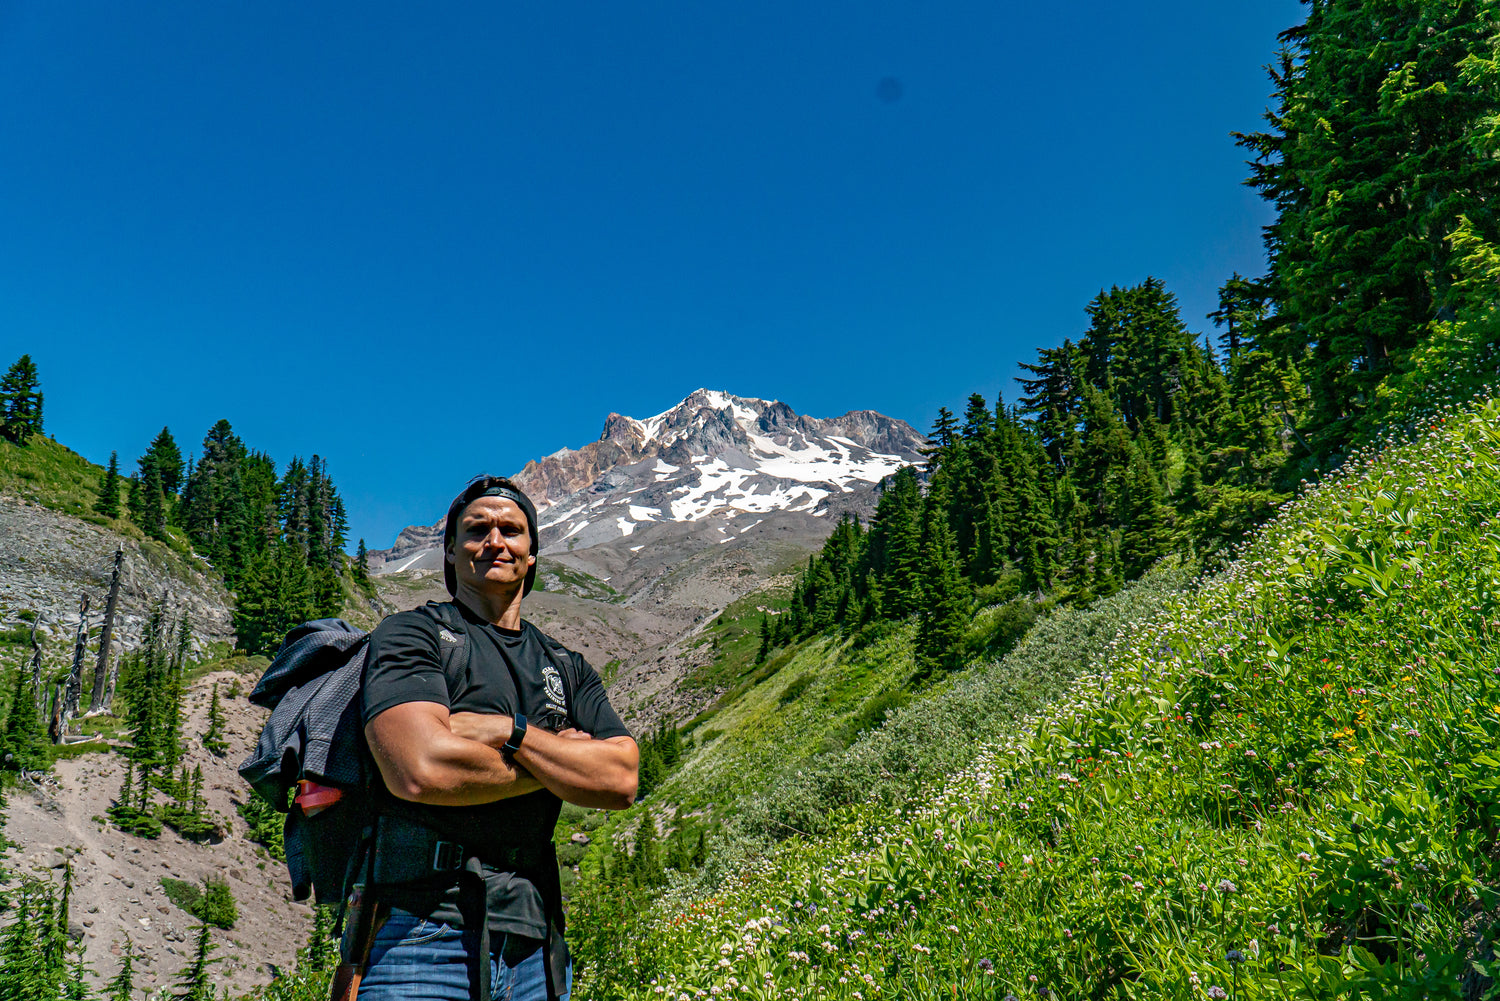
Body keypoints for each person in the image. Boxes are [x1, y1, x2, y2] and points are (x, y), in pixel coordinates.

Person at [355, 475, 639, 1001]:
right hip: (422, 932)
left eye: (511, 529)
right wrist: (564, 763)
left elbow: (621, 780)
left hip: (535, 945)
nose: (495, 541)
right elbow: (420, 770)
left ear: (532, 555)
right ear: (450, 550)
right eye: (476, 529)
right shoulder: (411, 634)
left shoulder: (567, 666)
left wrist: (507, 732)